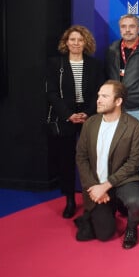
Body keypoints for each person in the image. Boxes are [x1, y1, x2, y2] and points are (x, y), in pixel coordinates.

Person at [75, 80, 139, 249]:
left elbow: (134, 163)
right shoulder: (90, 123)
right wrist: (94, 186)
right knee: (104, 234)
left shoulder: (134, 126)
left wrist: (107, 185)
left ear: (118, 101)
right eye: (99, 95)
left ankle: (131, 228)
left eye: (104, 96)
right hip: (96, 184)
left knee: (137, 201)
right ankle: (93, 214)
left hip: (123, 181)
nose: (98, 100)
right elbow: (81, 157)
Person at [46, 25, 104, 218]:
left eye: (80, 40)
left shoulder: (94, 65)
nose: (76, 43)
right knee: (66, 160)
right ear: (66, 42)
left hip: (89, 115)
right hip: (66, 116)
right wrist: (68, 114)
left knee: (93, 159)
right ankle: (70, 200)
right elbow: (52, 93)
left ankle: (95, 197)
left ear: (86, 42)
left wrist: (87, 113)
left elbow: (100, 92)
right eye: (72, 39)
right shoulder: (56, 64)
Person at [105, 14, 139, 177]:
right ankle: (123, 195)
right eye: (123, 26)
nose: (127, 30)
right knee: (118, 155)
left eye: (132, 26)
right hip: (116, 110)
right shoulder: (112, 49)